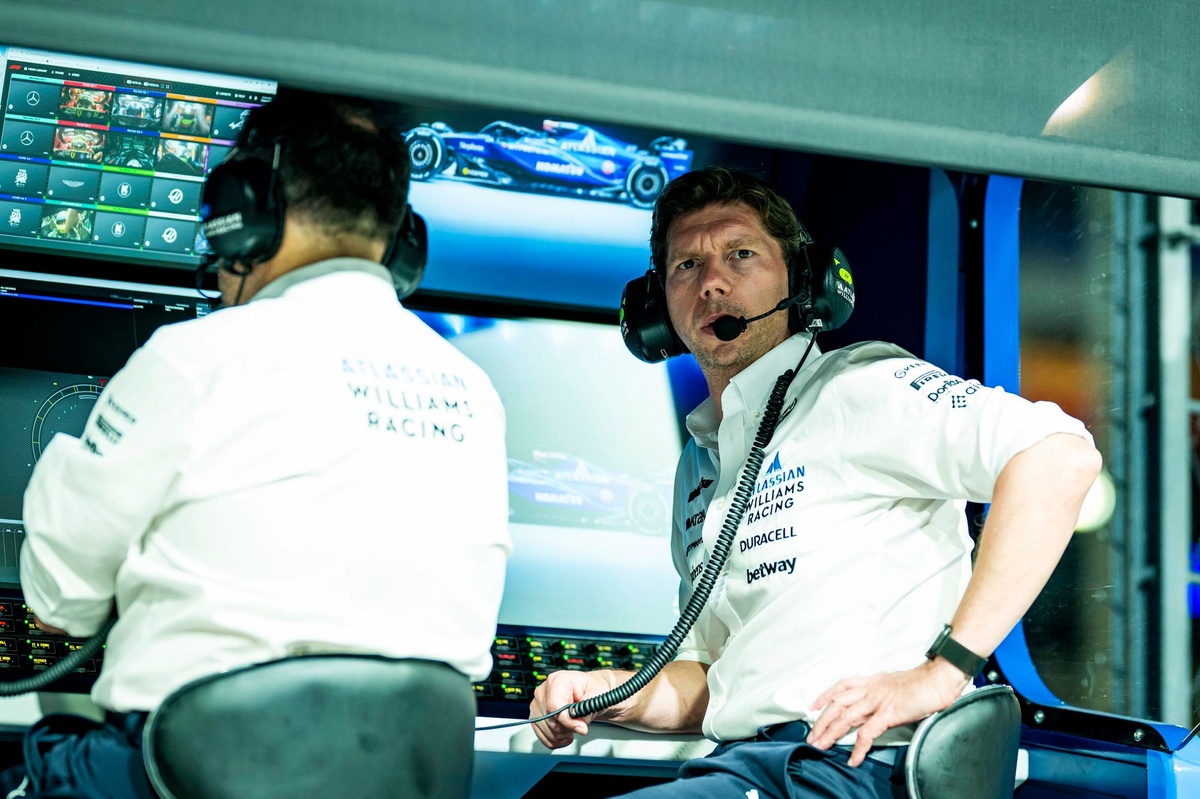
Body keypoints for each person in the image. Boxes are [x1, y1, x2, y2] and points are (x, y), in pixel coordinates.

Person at [529, 166, 1100, 798]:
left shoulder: (862, 387)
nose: (712, 281)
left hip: (853, 765)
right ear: (656, 307)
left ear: (803, 279)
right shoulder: (701, 462)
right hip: (747, 764)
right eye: (687, 265)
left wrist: (945, 671)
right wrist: (610, 695)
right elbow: (717, 680)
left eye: (740, 254)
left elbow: (1060, 457)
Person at [2, 90, 511, 799]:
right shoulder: (477, 394)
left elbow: (59, 602)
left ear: (246, 209)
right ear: (403, 242)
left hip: (177, 778)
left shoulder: (193, 357)